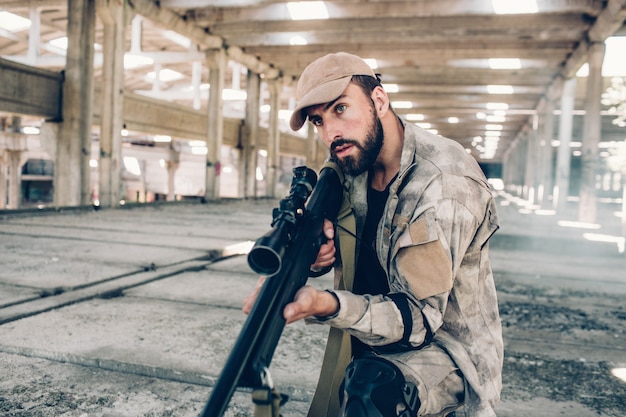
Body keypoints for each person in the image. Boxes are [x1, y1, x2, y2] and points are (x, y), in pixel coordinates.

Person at [243, 52, 503, 417]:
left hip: (444, 354)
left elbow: (418, 321)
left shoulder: (443, 184)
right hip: (370, 340)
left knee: (372, 391)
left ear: (378, 101)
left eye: (340, 109)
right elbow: (349, 244)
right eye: (319, 120)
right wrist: (315, 257)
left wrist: (326, 304)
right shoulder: (354, 162)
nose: (331, 131)